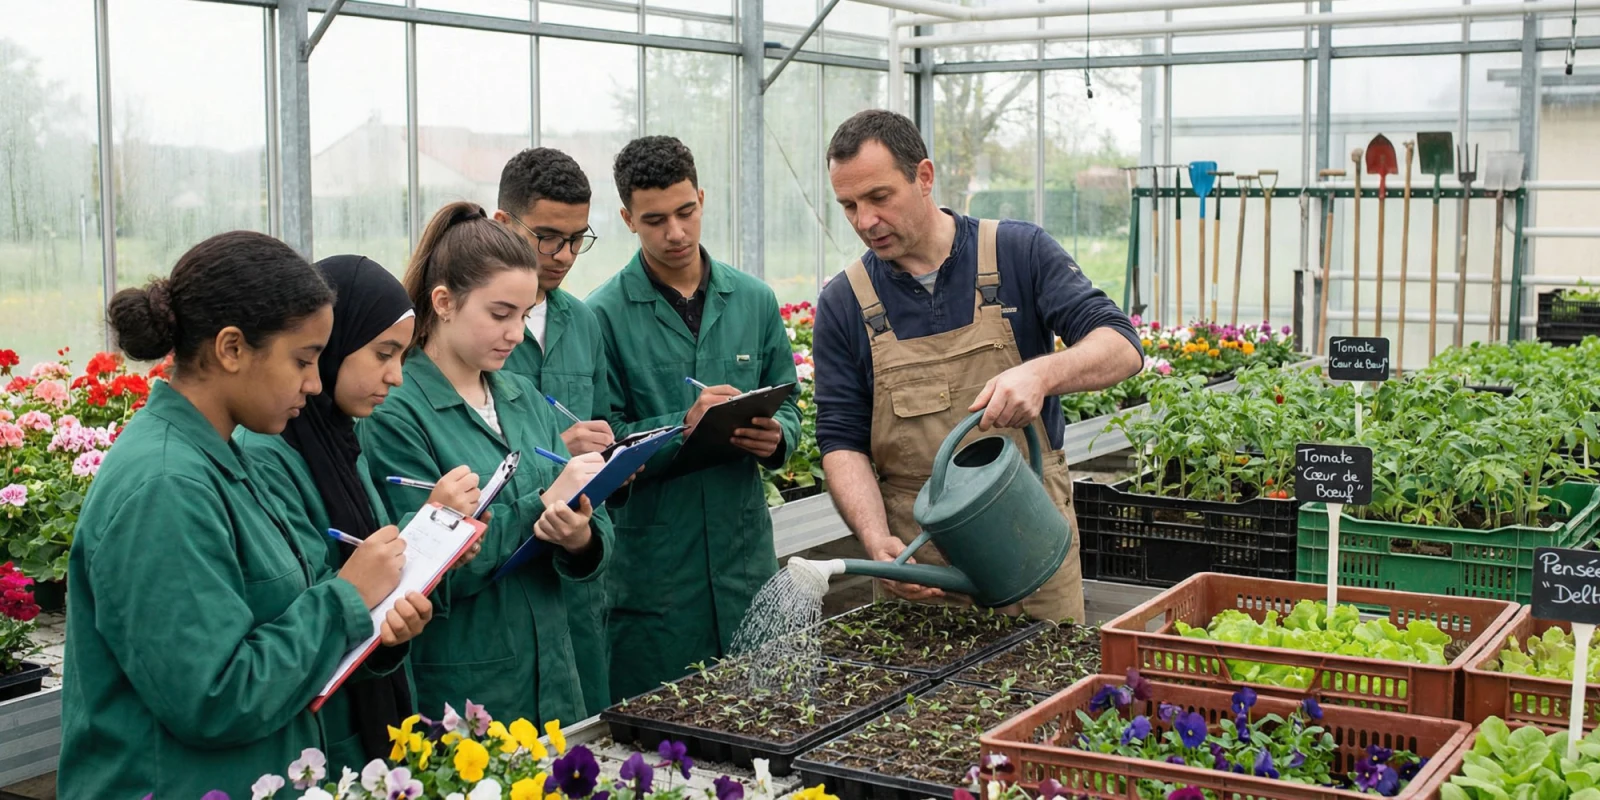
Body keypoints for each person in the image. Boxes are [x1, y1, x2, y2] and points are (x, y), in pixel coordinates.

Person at [59, 232, 432, 799]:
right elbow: (214, 696)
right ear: (232, 349)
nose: (314, 381)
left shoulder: (223, 455)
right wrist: (346, 600)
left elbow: (272, 624)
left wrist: (376, 620)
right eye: (304, 359)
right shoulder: (165, 487)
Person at [813, 110, 1143, 623]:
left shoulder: (1017, 252)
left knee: (1046, 689)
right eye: (849, 206)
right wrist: (876, 540)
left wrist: (1041, 374)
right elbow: (841, 440)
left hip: (1029, 543)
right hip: (922, 561)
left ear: (923, 177)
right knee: (927, 701)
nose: (864, 221)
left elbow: (1121, 344)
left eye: (879, 198)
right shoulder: (844, 301)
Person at [361, 201, 614, 725]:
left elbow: (596, 537)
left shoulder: (521, 395)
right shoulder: (397, 410)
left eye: (524, 315)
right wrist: (541, 506)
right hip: (467, 684)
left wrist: (579, 535)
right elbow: (419, 572)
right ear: (445, 302)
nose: (516, 334)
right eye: (500, 314)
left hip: (555, 677)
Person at [235, 254, 483, 768]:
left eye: (402, 356)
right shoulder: (267, 450)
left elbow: (365, 571)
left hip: (364, 700)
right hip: (316, 728)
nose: (395, 376)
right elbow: (312, 589)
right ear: (332, 346)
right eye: (383, 354)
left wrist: (430, 553)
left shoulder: (342, 436)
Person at [587, 135, 800, 701]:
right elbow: (599, 439)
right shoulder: (602, 315)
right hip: (657, 570)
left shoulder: (753, 299)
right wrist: (682, 425)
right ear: (629, 219)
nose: (676, 233)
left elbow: (794, 404)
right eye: (655, 220)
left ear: (702, 198)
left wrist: (778, 437)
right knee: (660, 729)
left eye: (686, 212)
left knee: (757, 716)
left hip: (742, 554)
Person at [493, 148, 617, 712]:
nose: (564, 255)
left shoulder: (582, 320)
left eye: (577, 239)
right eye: (547, 237)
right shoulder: (467, 334)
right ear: (503, 224)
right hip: (507, 577)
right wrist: (555, 457)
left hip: (577, 569)